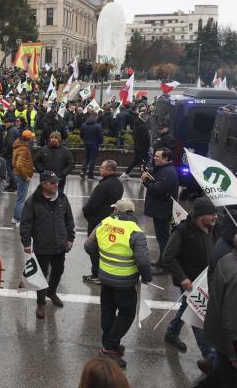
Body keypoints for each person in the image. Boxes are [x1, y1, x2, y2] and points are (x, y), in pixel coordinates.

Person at [84, 199, 152, 369]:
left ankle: (109, 344)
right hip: (125, 281)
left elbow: (88, 246)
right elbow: (143, 261)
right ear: (132, 213)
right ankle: (109, 347)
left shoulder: (104, 224)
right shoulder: (135, 232)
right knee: (127, 313)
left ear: (116, 210)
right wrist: (146, 277)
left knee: (107, 310)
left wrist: (104, 256)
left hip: (105, 277)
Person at [162, 197, 219, 374]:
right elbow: (167, 258)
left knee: (187, 306)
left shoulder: (212, 229)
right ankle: (208, 355)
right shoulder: (181, 231)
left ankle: (172, 333)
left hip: (206, 280)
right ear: (200, 215)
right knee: (197, 313)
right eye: (211, 214)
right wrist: (182, 278)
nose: (215, 217)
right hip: (189, 282)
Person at [20, 170, 75, 319]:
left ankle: (52, 292)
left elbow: (69, 220)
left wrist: (70, 238)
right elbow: (25, 224)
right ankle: (41, 303)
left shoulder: (62, 198)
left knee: (58, 271)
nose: (56, 184)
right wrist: (26, 243)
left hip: (60, 245)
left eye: (57, 182)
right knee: (41, 276)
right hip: (42, 246)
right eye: (52, 182)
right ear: (43, 184)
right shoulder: (32, 201)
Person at [82, 160, 125, 285]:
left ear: (110, 170)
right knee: (104, 249)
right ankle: (104, 273)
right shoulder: (118, 183)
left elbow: (92, 205)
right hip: (110, 220)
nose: (100, 169)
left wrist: (86, 213)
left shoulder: (103, 186)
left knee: (93, 248)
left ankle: (96, 274)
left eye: (102, 168)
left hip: (97, 221)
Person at [203, 235, 237, 387]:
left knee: (222, 374)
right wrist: (234, 355)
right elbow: (231, 320)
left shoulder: (226, 259)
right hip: (228, 342)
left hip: (217, 333)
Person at [142, 148, 179, 269]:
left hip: (163, 210)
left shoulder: (168, 172)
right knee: (161, 237)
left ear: (166, 158)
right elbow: (157, 181)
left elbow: (157, 189)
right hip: (160, 209)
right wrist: (148, 175)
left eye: (157, 156)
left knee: (163, 238)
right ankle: (161, 261)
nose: (154, 158)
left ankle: (165, 264)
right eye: (155, 156)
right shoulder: (164, 170)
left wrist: (146, 182)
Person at [12, 129, 35, 227]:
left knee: (19, 198)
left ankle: (15, 217)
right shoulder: (24, 149)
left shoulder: (18, 145)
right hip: (22, 176)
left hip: (18, 174)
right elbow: (19, 164)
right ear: (29, 139)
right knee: (21, 199)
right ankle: (18, 219)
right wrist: (26, 177)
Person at [121, 112, 151, 179]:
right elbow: (146, 138)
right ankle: (144, 177)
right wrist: (148, 146)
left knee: (136, 161)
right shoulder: (144, 126)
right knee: (143, 162)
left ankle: (125, 173)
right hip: (143, 147)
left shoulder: (136, 124)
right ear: (145, 118)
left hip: (137, 146)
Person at [80, 112, 104, 180]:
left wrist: (85, 140)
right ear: (96, 117)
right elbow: (100, 137)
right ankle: (90, 174)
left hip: (86, 143)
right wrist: (100, 142)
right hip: (94, 144)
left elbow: (81, 135)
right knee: (92, 159)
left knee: (86, 158)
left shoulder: (84, 124)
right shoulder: (98, 126)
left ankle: (83, 171)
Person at [2, 114, 21, 192]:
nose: (5, 124)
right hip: (13, 153)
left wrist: (5, 153)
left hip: (10, 154)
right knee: (11, 171)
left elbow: (10, 144)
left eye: (7, 123)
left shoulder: (11, 131)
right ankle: (11, 184)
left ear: (11, 123)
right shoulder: (14, 129)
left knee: (11, 171)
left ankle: (14, 186)